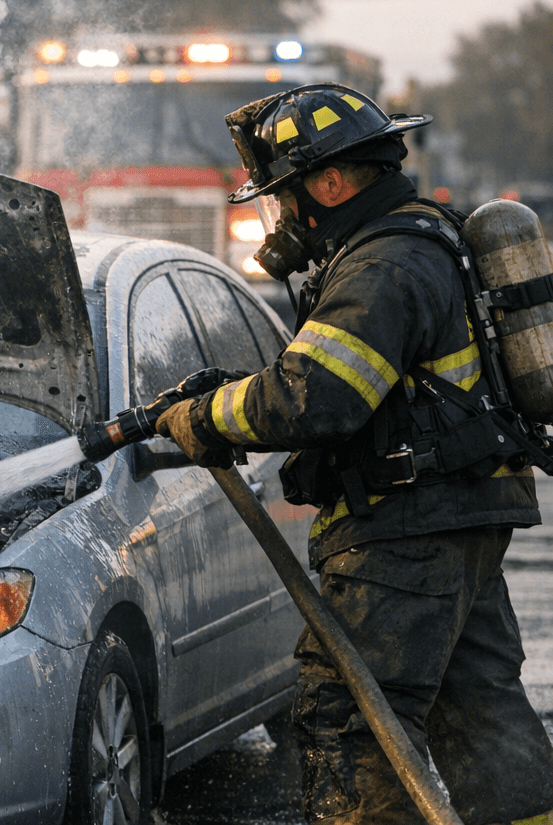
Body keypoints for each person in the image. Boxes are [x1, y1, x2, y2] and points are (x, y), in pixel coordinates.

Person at [155, 83, 553, 825]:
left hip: (407, 526)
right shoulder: (431, 235)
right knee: (478, 711)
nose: (282, 217)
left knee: (348, 719)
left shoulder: (382, 265)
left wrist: (205, 415)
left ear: (331, 182)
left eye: (283, 196)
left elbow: (317, 396)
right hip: (460, 510)